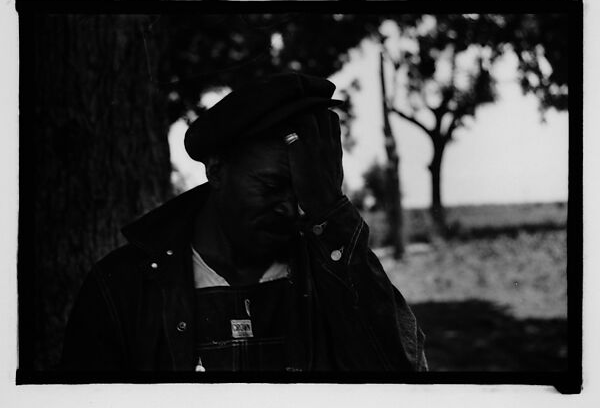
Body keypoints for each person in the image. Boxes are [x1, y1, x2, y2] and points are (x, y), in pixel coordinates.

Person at [61, 73, 427, 372]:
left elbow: (404, 378)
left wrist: (331, 213)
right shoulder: (124, 287)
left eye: (307, 194)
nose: (292, 208)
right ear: (217, 170)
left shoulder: (332, 273)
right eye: (272, 186)